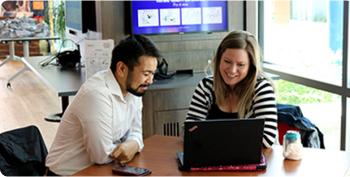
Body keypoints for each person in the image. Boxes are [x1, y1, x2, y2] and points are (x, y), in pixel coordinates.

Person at [45, 35, 160, 176]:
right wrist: (130, 146)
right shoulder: (96, 94)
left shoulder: (134, 90)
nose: (150, 80)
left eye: (152, 74)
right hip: (68, 174)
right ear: (122, 68)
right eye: (146, 74)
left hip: (103, 170)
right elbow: (101, 156)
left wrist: (133, 144)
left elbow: (136, 134)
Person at [186, 30, 278, 148]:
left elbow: (266, 140)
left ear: (251, 67)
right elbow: (189, 132)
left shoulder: (261, 88)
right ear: (219, 59)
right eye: (227, 61)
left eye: (240, 65)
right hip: (212, 159)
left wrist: (210, 137)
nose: (232, 70)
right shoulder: (206, 86)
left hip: (250, 161)